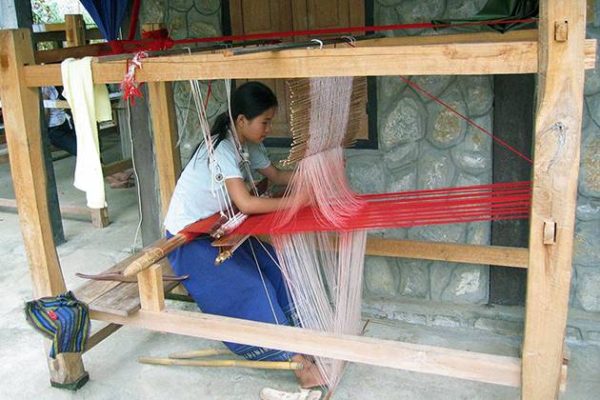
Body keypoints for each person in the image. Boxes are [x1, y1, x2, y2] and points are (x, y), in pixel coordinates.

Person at [164, 82, 323, 389]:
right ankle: (294, 360)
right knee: (252, 286)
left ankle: (299, 336)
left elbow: (276, 175)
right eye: (264, 122)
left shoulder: (247, 144)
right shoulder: (222, 149)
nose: (268, 128)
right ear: (241, 121)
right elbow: (247, 203)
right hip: (187, 238)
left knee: (276, 266)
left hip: (218, 227)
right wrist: (299, 201)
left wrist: (317, 177)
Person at [41, 86, 77, 156]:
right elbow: (45, 118)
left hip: (65, 121)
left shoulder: (51, 85)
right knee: (78, 147)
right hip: (53, 129)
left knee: (86, 140)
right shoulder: (42, 88)